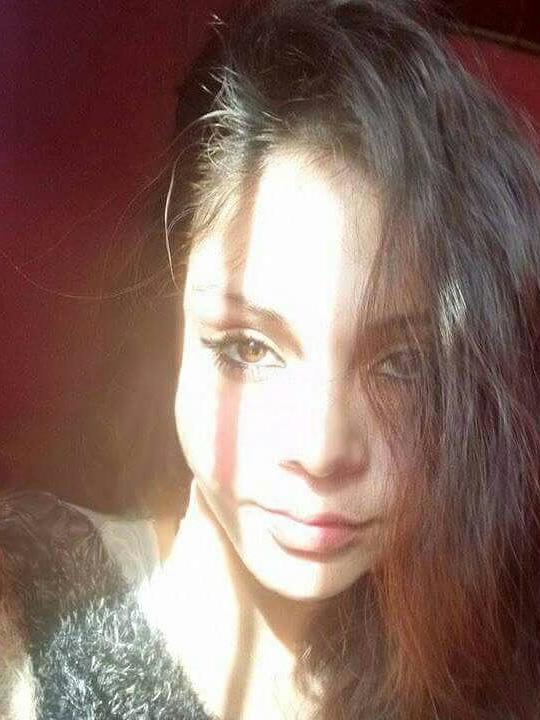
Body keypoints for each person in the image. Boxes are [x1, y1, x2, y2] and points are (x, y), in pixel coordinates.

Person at [1, 0, 539, 718]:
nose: (320, 451)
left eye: (404, 365)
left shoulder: (485, 658)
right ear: (172, 322)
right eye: (248, 347)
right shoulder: (29, 600)